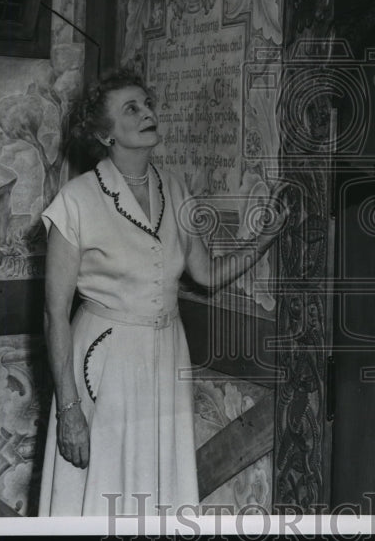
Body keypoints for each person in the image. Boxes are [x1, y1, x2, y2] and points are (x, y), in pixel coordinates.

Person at [37, 69, 287, 516]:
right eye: (131, 108)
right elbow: (55, 315)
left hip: (168, 353)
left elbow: (206, 274)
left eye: (147, 102)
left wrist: (265, 236)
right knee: (102, 487)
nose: (147, 112)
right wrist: (69, 410)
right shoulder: (75, 201)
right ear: (104, 133)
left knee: (158, 487)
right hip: (104, 361)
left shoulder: (174, 187)